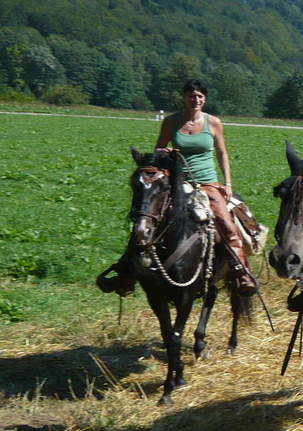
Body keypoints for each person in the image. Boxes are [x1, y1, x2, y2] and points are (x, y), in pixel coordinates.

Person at [97, 79, 259, 296]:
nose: (196, 99)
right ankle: (126, 273)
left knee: (226, 223)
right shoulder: (171, 122)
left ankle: (241, 272)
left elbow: (222, 153)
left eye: (200, 96)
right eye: (192, 95)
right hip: (177, 181)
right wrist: (167, 152)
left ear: (205, 99)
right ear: (184, 98)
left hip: (207, 183)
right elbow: (158, 151)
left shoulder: (214, 123)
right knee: (147, 219)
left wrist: (227, 183)